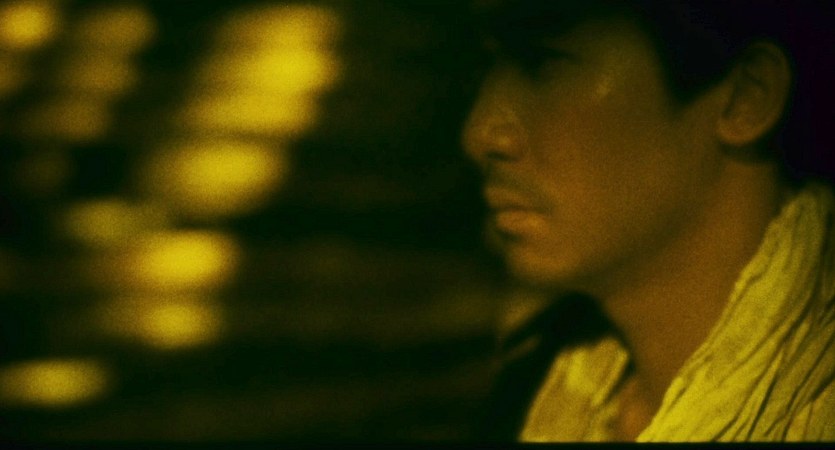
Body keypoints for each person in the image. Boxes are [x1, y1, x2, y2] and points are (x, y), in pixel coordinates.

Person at [461, 0, 835, 442]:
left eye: (544, 64)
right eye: (486, 67)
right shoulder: (530, 388)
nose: (479, 135)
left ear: (746, 98)